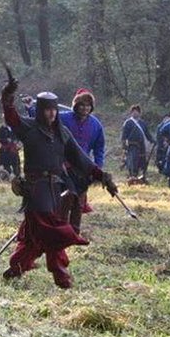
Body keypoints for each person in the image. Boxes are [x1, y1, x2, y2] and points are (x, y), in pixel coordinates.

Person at [0, 79, 118, 289]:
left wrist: (102, 176)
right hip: (36, 189)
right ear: (40, 111)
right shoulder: (29, 128)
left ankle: (17, 267)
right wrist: (8, 96)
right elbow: (11, 118)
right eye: (47, 110)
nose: (52, 114)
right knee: (48, 228)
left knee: (33, 237)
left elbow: (81, 159)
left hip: (56, 187)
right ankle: (61, 268)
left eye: (54, 110)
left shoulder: (62, 133)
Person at [58, 88, 105, 233]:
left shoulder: (96, 124)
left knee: (79, 201)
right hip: (63, 165)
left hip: (83, 167)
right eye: (82, 105)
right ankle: (61, 229)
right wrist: (30, 108)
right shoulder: (63, 118)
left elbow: (99, 147)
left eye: (88, 105)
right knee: (65, 198)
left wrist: (98, 166)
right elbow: (45, 118)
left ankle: (74, 232)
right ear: (76, 105)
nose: (85, 108)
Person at [121, 105, 155, 181]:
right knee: (133, 161)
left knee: (142, 160)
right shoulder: (128, 123)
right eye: (133, 112)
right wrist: (124, 145)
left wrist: (152, 140)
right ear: (131, 113)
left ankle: (141, 176)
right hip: (132, 145)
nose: (135, 113)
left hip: (141, 145)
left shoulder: (142, 123)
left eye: (137, 112)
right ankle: (132, 176)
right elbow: (124, 135)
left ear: (139, 113)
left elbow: (147, 133)